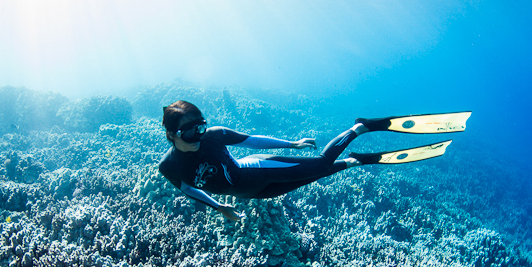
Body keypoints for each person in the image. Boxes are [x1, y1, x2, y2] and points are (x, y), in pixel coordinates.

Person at [158, 100, 470, 221]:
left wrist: (291, 143)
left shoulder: (214, 135)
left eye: (201, 126)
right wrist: (220, 207)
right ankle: (356, 161)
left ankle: (360, 126)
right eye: (189, 132)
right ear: (172, 135)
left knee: (320, 164)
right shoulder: (168, 167)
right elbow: (187, 187)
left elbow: (253, 140)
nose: (198, 135)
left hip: (254, 168)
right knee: (317, 176)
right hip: (252, 192)